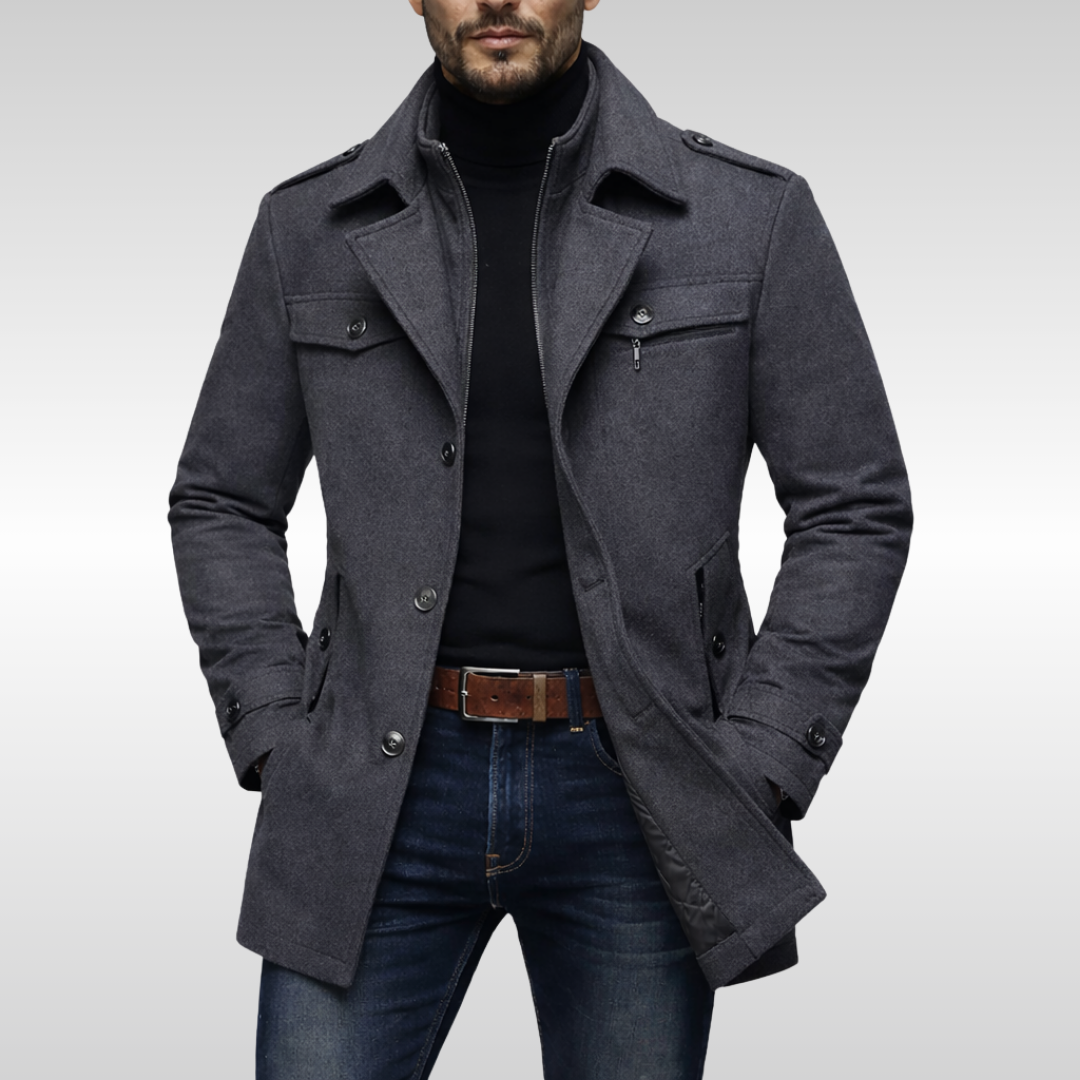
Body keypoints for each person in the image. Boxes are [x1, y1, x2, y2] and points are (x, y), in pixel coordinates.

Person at [169, 1, 912, 1076]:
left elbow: (854, 503)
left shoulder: (745, 215)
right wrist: (280, 734)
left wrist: (759, 757)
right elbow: (222, 498)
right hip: (374, 785)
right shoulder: (309, 225)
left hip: (645, 789)